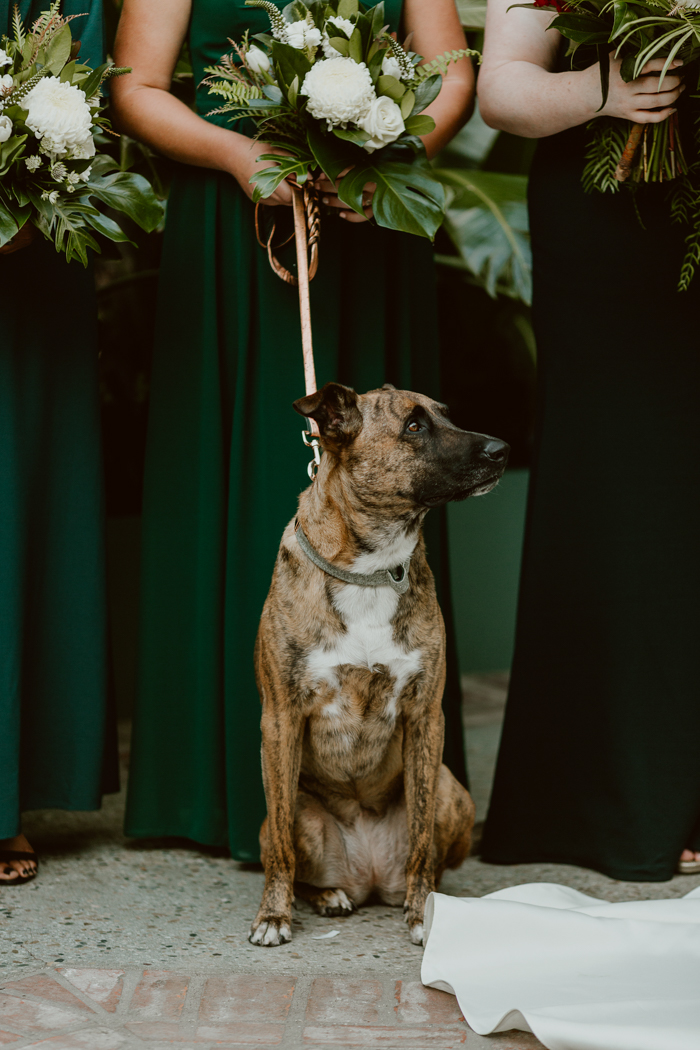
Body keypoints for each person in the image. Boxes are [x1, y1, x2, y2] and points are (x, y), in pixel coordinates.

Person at [111, 0, 474, 861]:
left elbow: (452, 74)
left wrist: (390, 153)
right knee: (230, 478)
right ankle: (218, 786)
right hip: (235, 228)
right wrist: (242, 152)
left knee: (387, 471)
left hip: (370, 222)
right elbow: (138, 88)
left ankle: (394, 801)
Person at [478, 0, 700, 880]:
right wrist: (601, 90)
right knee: (623, 489)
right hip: (610, 215)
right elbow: (501, 87)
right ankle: (623, 792)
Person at [0, 0, 118, 885]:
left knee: (19, 494)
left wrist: (45, 171)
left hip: (30, 247)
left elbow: (100, 84)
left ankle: (7, 795)